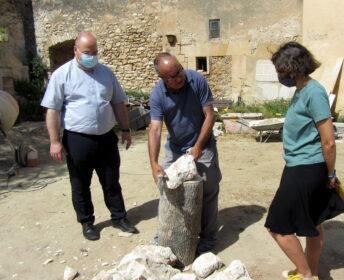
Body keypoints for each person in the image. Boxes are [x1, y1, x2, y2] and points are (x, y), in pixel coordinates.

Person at [265, 42, 344, 280]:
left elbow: (329, 140)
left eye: (281, 70)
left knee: (276, 226)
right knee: (314, 223)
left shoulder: (314, 92)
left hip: (306, 167)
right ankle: (311, 273)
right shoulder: (302, 91)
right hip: (302, 165)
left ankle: (305, 275)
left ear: (293, 68)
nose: (279, 76)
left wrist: (330, 174)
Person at [41, 32, 138, 241]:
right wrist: (55, 141)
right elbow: (52, 110)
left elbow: (118, 103)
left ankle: (119, 218)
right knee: (80, 184)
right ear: (75, 50)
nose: (91, 56)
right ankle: (87, 223)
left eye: (94, 52)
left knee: (112, 181)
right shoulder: (62, 75)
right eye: (87, 52)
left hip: (106, 137)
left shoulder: (106, 73)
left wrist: (126, 129)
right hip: (77, 139)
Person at [148, 53, 222, 254]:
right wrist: (154, 163)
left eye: (179, 70)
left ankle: (207, 238)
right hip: (176, 147)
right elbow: (154, 129)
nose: (179, 77)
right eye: (172, 76)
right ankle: (167, 234)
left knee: (207, 189)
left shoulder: (196, 80)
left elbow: (209, 115)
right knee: (168, 189)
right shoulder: (157, 94)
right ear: (163, 79)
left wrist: (198, 146)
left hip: (203, 143)